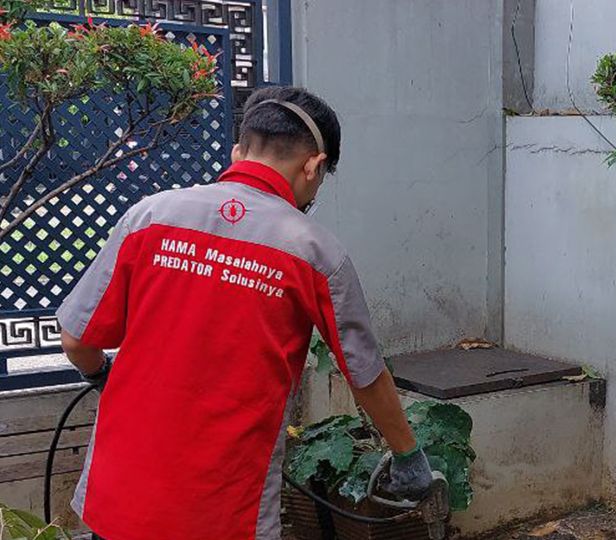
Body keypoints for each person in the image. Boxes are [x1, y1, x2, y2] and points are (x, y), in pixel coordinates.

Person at [57, 86, 432, 539]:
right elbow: (365, 373)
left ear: (240, 150)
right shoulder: (316, 253)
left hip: (117, 502)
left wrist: (101, 375)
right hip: (225, 512)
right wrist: (408, 457)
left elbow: (77, 339)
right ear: (313, 165)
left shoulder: (149, 217)